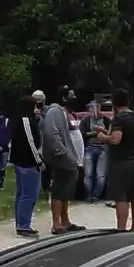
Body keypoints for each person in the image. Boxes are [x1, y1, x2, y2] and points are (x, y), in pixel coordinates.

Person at [97, 88, 134, 231]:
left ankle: (121, 229)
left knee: (121, 197)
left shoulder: (119, 118)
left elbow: (116, 139)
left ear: (115, 103)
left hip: (121, 163)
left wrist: (103, 137)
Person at [41, 86, 85, 235]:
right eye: (72, 95)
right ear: (64, 98)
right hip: (63, 159)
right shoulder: (55, 111)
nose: (75, 98)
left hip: (72, 160)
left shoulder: (68, 113)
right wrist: (62, 152)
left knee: (67, 191)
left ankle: (65, 221)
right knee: (59, 191)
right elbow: (51, 133)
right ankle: (56, 224)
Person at [9, 96, 44, 238]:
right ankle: (23, 225)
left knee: (21, 193)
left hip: (19, 161)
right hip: (28, 162)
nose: (37, 110)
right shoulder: (26, 121)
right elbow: (31, 142)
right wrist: (39, 161)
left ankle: (20, 223)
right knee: (29, 195)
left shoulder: (17, 119)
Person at [80, 101, 111, 202]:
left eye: (96, 107)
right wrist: (95, 132)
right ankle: (89, 195)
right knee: (88, 173)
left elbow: (110, 134)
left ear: (99, 108)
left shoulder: (106, 120)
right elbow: (82, 134)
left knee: (100, 174)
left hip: (103, 149)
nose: (94, 110)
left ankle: (96, 195)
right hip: (89, 148)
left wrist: (103, 131)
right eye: (91, 108)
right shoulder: (85, 121)